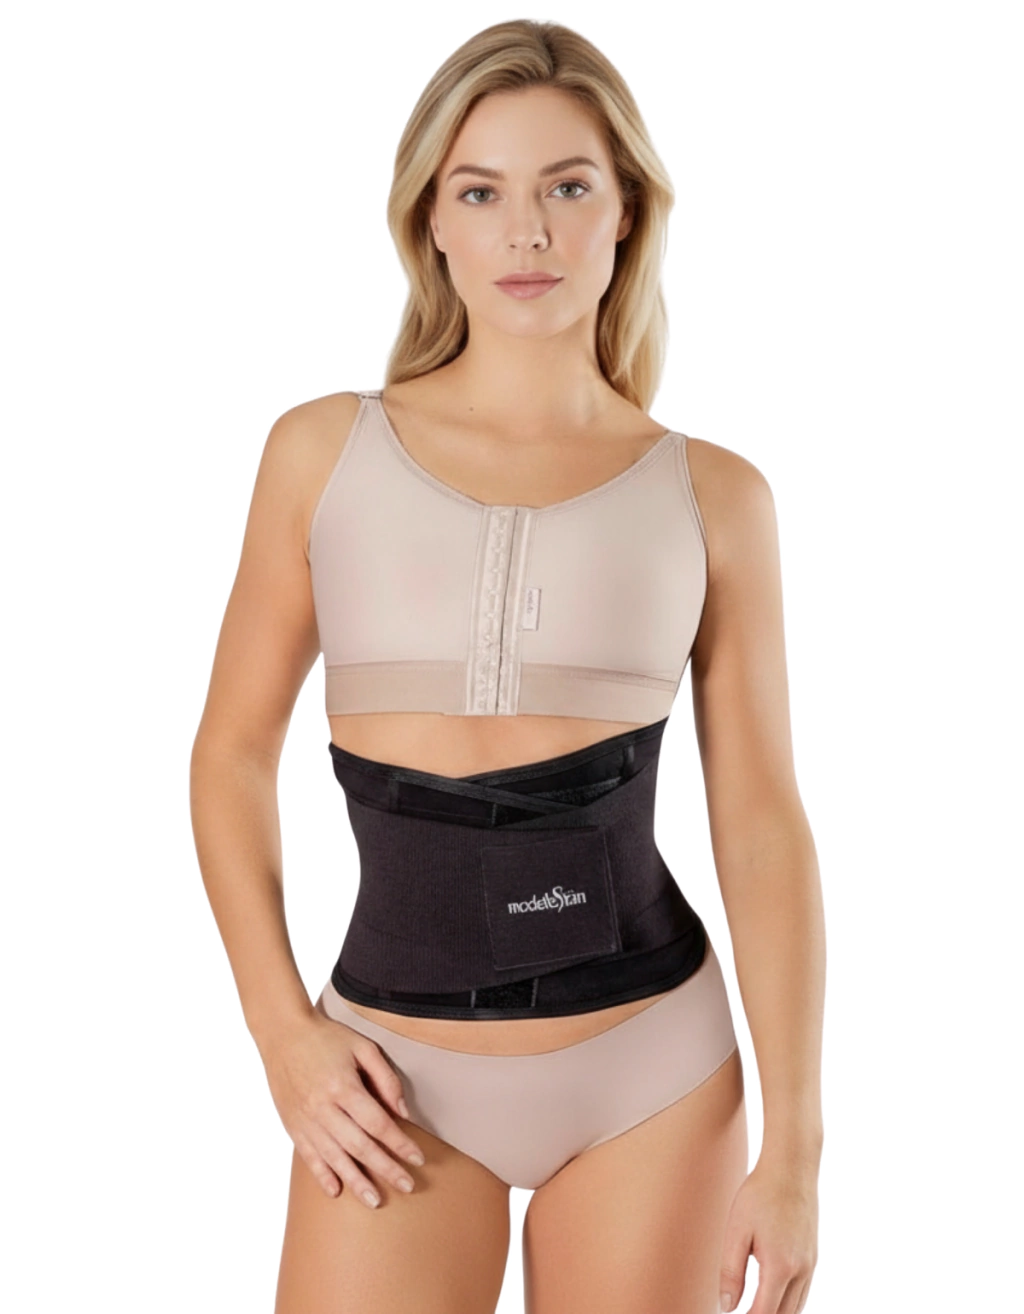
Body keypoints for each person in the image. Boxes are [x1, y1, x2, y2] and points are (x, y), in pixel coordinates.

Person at [190, 19, 824, 1314]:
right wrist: (282, 1034)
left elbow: (762, 823)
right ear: (430, 220)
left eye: (567, 187)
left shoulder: (715, 497)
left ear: (627, 211)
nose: (527, 232)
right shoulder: (321, 455)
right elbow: (230, 755)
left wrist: (797, 1150)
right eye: (481, 192)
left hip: (652, 1069)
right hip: (390, 1075)